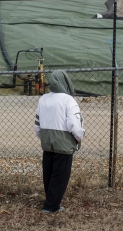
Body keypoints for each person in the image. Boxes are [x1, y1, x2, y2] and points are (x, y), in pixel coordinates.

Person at [34, 70, 85, 213]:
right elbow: (74, 125)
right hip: (64, 144)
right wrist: (79, 138)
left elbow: (37, 124)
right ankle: (51, 206)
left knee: (48, 174)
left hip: (47, 143)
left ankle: (50, 201)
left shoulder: (43, 99)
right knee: (60, 176)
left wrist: (44, 137)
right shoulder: (69, 100)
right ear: (66, 81)